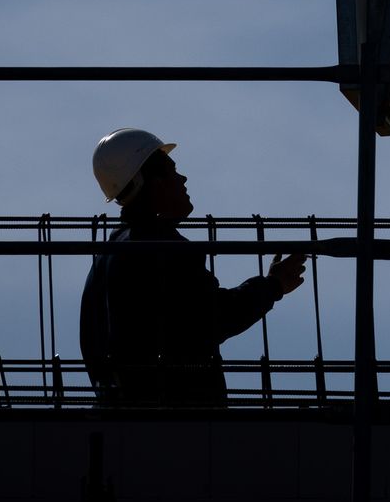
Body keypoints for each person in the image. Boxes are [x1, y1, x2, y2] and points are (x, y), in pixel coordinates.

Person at [79, 127, 306, 407]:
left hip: (123, 413)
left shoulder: (107, 256)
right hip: (177, 417)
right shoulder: (162, 248)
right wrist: (274, 286)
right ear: (152, 184)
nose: (182, 179)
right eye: (172, 172)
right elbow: (211, 318)